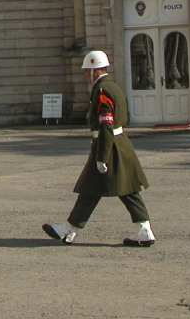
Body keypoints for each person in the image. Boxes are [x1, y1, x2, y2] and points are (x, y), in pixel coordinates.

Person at [43, 50, 156, 246]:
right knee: (122, 189)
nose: (86, 74)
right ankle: (143, 229)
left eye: (87, 70)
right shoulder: (110, 86)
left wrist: (102, 157)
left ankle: (69, 230)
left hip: (110, 147)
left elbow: (106, 124)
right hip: (117, 144)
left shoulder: (103, 90)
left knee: (97, 189)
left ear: (95, 71)